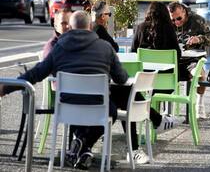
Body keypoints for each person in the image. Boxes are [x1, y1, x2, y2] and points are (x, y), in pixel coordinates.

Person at [0, 11, 128, 169]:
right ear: (90, 26)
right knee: (112, 110)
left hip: (67, 107)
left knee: (88, 109)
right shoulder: (106, 48)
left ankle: (81, 147)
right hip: (98, 107)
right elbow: (122, 78)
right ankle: (83, 144)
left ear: (71, 27)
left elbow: (36, 74)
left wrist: (5, 88)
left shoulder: (59, 48)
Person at [109, 1, 181, 164]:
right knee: (129, 96)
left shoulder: (140, 28)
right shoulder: (169, 29)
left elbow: (134, 53)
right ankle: (159, 121)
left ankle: (155, 124)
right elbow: (177, 54)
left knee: (130, 93)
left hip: (143, 82)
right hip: (164, 83)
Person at [168, 2, 210, 119]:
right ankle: (167, 110)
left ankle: (199, 104)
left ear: (184, 12)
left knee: (199, 75)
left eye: (179, 18)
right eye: (173, 20)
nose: (176, 22)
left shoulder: (197, 20)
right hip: (174, 60)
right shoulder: (168, 22)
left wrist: (199, 39)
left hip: (193, 59)